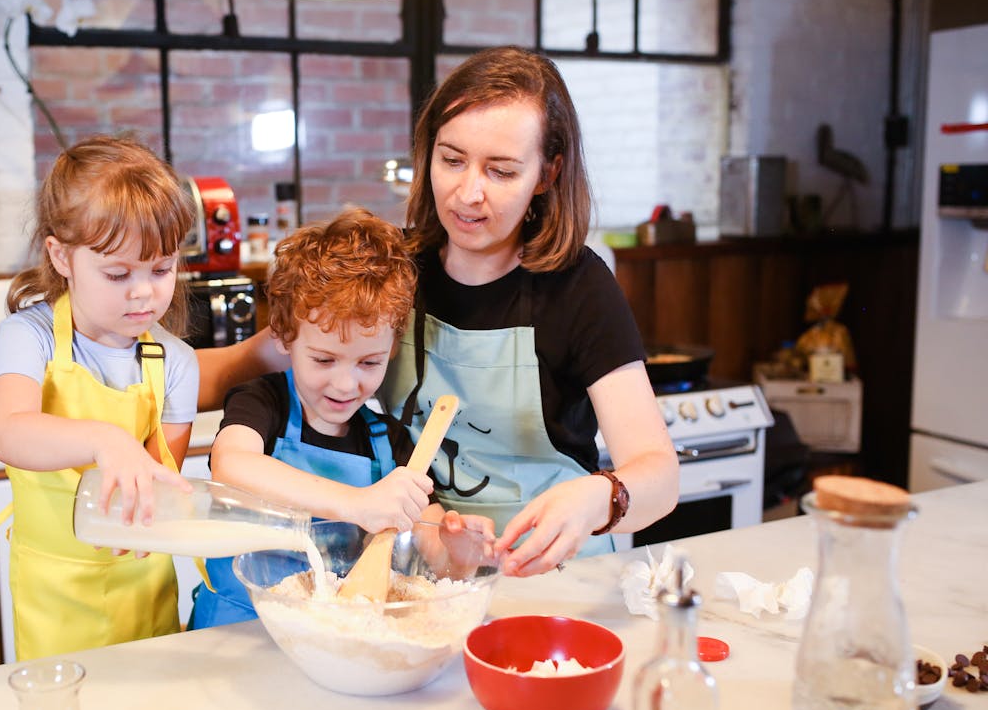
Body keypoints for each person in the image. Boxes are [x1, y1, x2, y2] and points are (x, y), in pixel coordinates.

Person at [198, 46, 679, 577]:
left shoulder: (579, 289)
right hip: (432, 577)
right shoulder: (390, 271)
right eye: (451, 160)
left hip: (555, 576)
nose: (468, 193)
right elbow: (241, 365)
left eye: (501, 171)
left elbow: (659, 476)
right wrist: (136, 383)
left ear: (547, 173)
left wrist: (599, 497)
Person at [193, 209, 489, 628]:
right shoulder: (264, 402)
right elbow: (233, 465)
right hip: (236, 631)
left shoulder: (389, 442)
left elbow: (434, 550)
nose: (346, 384)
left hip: (337, 633)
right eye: (324, 359)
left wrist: (459, 554)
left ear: (391, 349)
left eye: (369, 362)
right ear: (283, 336)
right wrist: (358, 504)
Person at [0, 134, 198, 659]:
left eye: (162, 269)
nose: (144, 291)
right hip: (53, 595)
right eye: (118, 273)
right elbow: (9, 432)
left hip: (143, 583)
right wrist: (106, 440)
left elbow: (158, 488)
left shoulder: (177, 362)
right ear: (62, 256)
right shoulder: (29, 337)